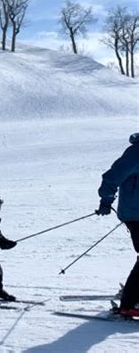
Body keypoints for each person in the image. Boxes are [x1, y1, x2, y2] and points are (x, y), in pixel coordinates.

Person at [97, 133, 139, 318]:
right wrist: (106, 201)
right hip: (135, 214)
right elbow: (112, 177)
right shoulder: (136, 153)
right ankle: (129, 304)